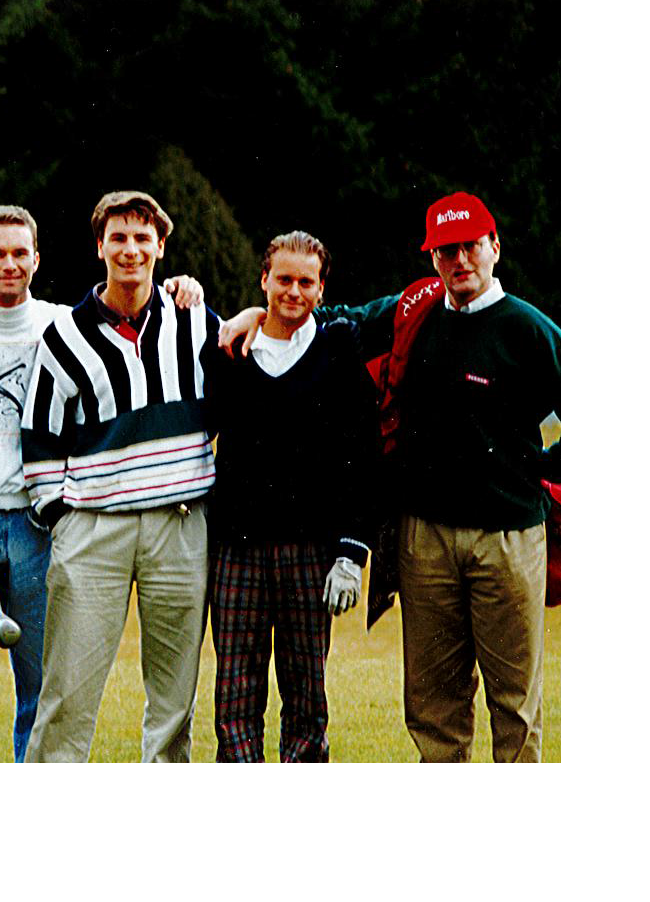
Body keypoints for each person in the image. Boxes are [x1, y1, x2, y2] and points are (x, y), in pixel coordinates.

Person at [221, 192, 561, 762]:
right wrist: (255, 315)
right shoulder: (414, 310)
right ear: (432, 258)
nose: (459, 261)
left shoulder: (529, 330)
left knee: (514, 702)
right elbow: (322, 316)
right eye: (446, 251)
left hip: (507, 536)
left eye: (470, 247)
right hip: (423, 536)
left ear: (495, 247)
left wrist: (541, 473)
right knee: (433, 705)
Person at [0, 204, 207, 763]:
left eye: (20, 253)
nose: (9, 263)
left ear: (37, 259)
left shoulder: (64, 322)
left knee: (43, 688)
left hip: (37, 527)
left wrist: (191, 290)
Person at [20, 191, 219, 763]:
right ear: (100, 247)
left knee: (175, 696)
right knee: (68, 690)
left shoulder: (194, 320)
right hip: (94, 529)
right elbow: (39, 434)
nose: (131, 249)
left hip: (179, 524)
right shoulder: (65, 334)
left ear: (161, 246)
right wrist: (63, 516)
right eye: (119, 238)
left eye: (142, 237)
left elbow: (240, 368)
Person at [204, 231, 381, 762]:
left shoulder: (337, 350)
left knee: (306, 695)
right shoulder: (232, 350)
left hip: (310, 550)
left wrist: (351, 552)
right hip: (236, 548)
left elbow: (362, 455)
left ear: (321, 289)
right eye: (283, 279)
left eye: (306, 282)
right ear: (264, 280)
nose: (294, 292)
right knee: (235, 691)